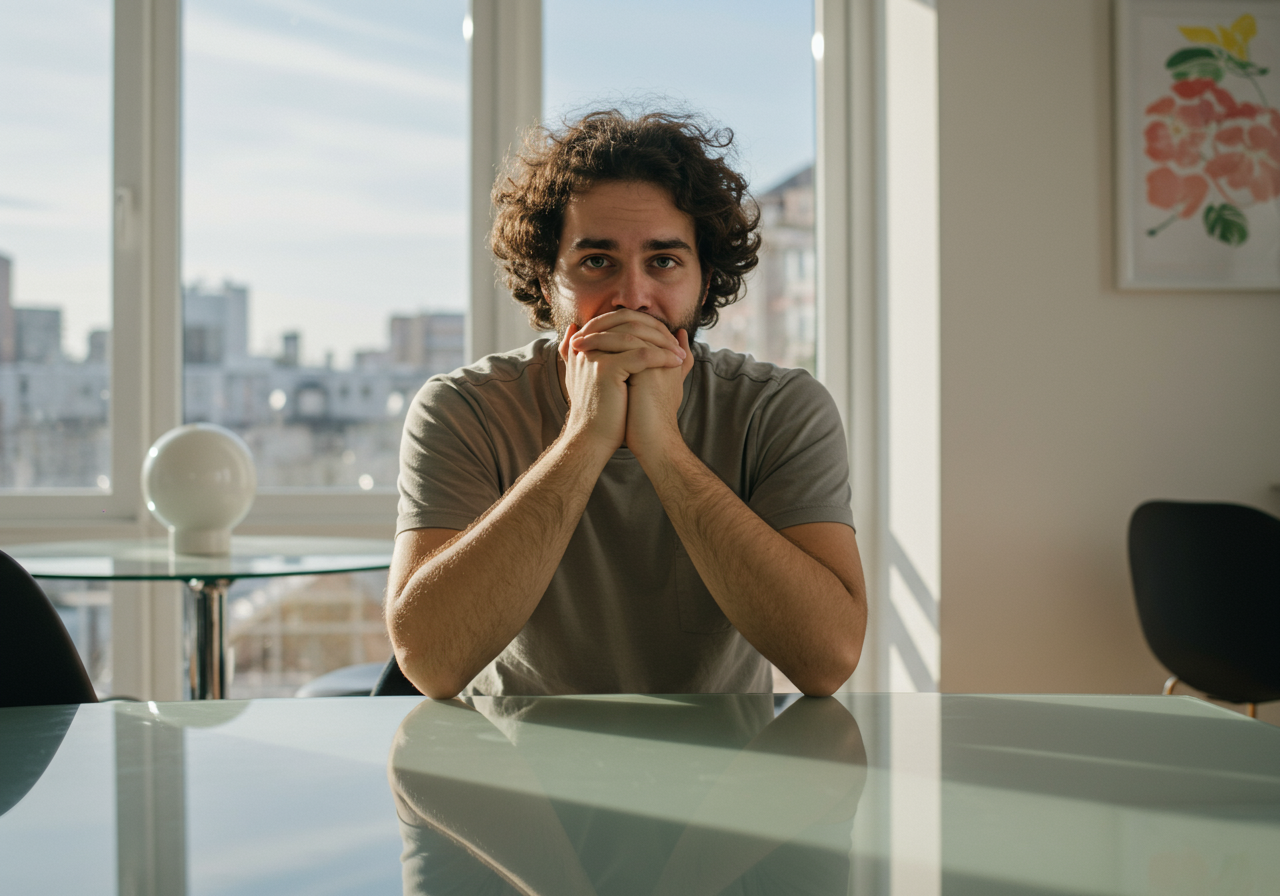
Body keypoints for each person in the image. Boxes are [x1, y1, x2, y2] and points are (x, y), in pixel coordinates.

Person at [386, 109, 866, 699]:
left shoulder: (781, 408)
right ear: (545, 280)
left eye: (663, 261)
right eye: (596, 263)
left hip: (726, 774)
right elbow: (429, 662)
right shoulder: (463, 408)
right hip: (514, 771)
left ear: (705, 280)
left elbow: (829, 659)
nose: (632, 297)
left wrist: (663, 448)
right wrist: (583, 437)